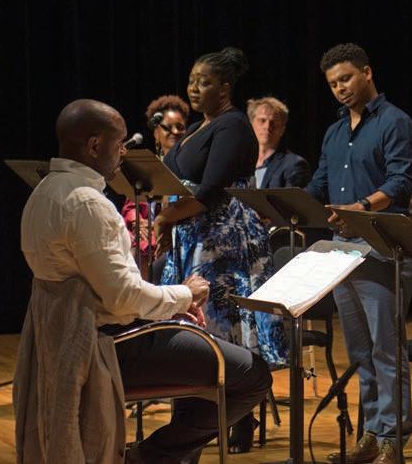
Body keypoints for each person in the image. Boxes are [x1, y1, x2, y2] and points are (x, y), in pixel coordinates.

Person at [17, 98, 271, 463]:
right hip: (110, 346)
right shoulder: (88, 204)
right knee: (253, 375)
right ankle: (151, 457)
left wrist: (170, 309)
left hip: (64, 341)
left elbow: (103, 291)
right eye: (119, 143)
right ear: (94, 145)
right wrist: (186, 295)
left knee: (197, 348)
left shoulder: (43, 192)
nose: (123, 153)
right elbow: (123, 299)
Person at [153, 47, 285, 453]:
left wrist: (165, 218)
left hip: (223, 242)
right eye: (192, 80)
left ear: (225, 87)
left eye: (204, 82)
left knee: (223, 326)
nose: (194, 88)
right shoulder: (198, 127)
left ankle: (239, 416)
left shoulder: (233, 126)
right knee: (194, 325)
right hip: (193, 238)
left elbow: (211, 192)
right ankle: (193, 416)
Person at [305, 43, 412, 464]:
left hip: (381, 247)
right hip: (341, 253)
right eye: (333, 84)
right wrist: (284, 204)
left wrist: (360, 208)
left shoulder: (395, 122)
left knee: (386, 348)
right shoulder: (335, 132)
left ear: (367, 73)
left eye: (346, 78)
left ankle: (392, 437)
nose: (340, 88)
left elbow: (400, 181)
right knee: (360, 351)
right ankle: (372, 432)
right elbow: (319, 183)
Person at [121, 95, 190, 273]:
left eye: (180, 127)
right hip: (145, 234)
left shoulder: (189, 166)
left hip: (174, 231)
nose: (175, 132)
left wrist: (157, 224)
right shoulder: (149, 165)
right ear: (156, 133)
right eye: (168, 127)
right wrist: (138, 222)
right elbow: (131, 204)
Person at [247, 96, 310, 189]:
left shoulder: (294, 164)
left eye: (273, 122)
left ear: (282, 129)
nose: (267, 127)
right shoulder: (241, 161)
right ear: (251, 124)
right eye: (262, 120)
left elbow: (292, 198)